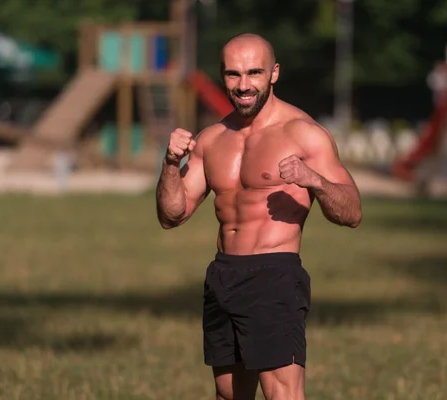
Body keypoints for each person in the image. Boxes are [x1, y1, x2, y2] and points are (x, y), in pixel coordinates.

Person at [156, 33, 362, 400]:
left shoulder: (304, 134)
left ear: (274, 74)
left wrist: (313, 180)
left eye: (254, 72)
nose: (244, 84)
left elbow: (352, 212)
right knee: (228, 396)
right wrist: (171, 164)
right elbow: (173, 215)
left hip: (274, 275)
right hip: (223, 274)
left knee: (281, 395)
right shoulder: (212, 138)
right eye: (233, 74)